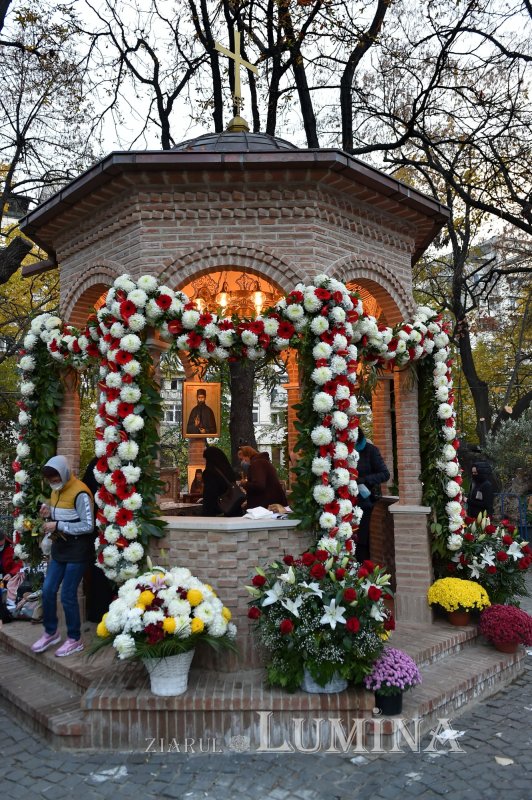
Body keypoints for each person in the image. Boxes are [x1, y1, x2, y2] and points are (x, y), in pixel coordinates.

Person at [31, 455, 94, 657]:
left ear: (64, 474)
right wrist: (47, 512)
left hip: (77, 550)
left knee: (67, 595)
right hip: (60, 549)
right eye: (50, 480)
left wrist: (57, 525)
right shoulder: (55, 491)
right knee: (48, 590)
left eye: (56, 479)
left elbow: (88, 525)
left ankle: (75, 639)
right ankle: (51, 632)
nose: (53, 483)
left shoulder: (81, 492)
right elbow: (60, 514)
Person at [81, 457, 116, 624]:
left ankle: (98, 612)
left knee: (101, 567)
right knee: (102, 568)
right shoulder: (104, 465)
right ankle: (102, 611)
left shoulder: (97, 464)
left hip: (101, 526)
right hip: (104, 525)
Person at [355, 427, 390, 563]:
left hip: (365, 501)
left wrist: (365, 480)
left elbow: (385, 474)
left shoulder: (370, 451)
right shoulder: (343, 451)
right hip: (346, 502)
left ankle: (363, 571)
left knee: (362, 539)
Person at [239, 446, 288, 510]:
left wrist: (245, 483)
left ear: (247, 455)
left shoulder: (257, 463)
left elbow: (259, 485)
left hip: (267, 506)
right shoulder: (262, 462)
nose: (242, 461)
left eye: (241, 459)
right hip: (271, 502)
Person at [201, 446, 243, 517]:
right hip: (233, 508)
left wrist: (206, 513)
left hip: (220, 511)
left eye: (206, 459)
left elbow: (210, 495)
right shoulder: (228, 470)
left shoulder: (210, 473)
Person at [0, 528, 23, 608]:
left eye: (1, 545)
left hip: (6, 578)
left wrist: (10, 574)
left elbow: (18, 565)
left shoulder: (12, 548)